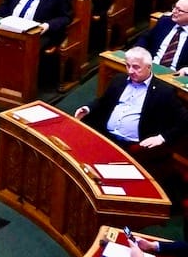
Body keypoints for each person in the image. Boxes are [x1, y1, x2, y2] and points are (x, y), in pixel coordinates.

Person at [75, 49, 186, 177]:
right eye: (128, 65)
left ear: (148, 67)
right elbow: (103, 101)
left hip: (132, 146)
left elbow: (184, 120)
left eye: (136, 67)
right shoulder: (119, 80)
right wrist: (87, 108)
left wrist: (162, 137)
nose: (130, 71)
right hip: (106, 136)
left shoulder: (163, 91)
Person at [139, 0, 188, 71]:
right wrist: (139, 50)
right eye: (174, 7)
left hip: (176, 76)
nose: (173, 11)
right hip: (151, 67)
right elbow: (146, 38)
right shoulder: (165, 21)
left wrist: (186, 70)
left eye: (179, 10)